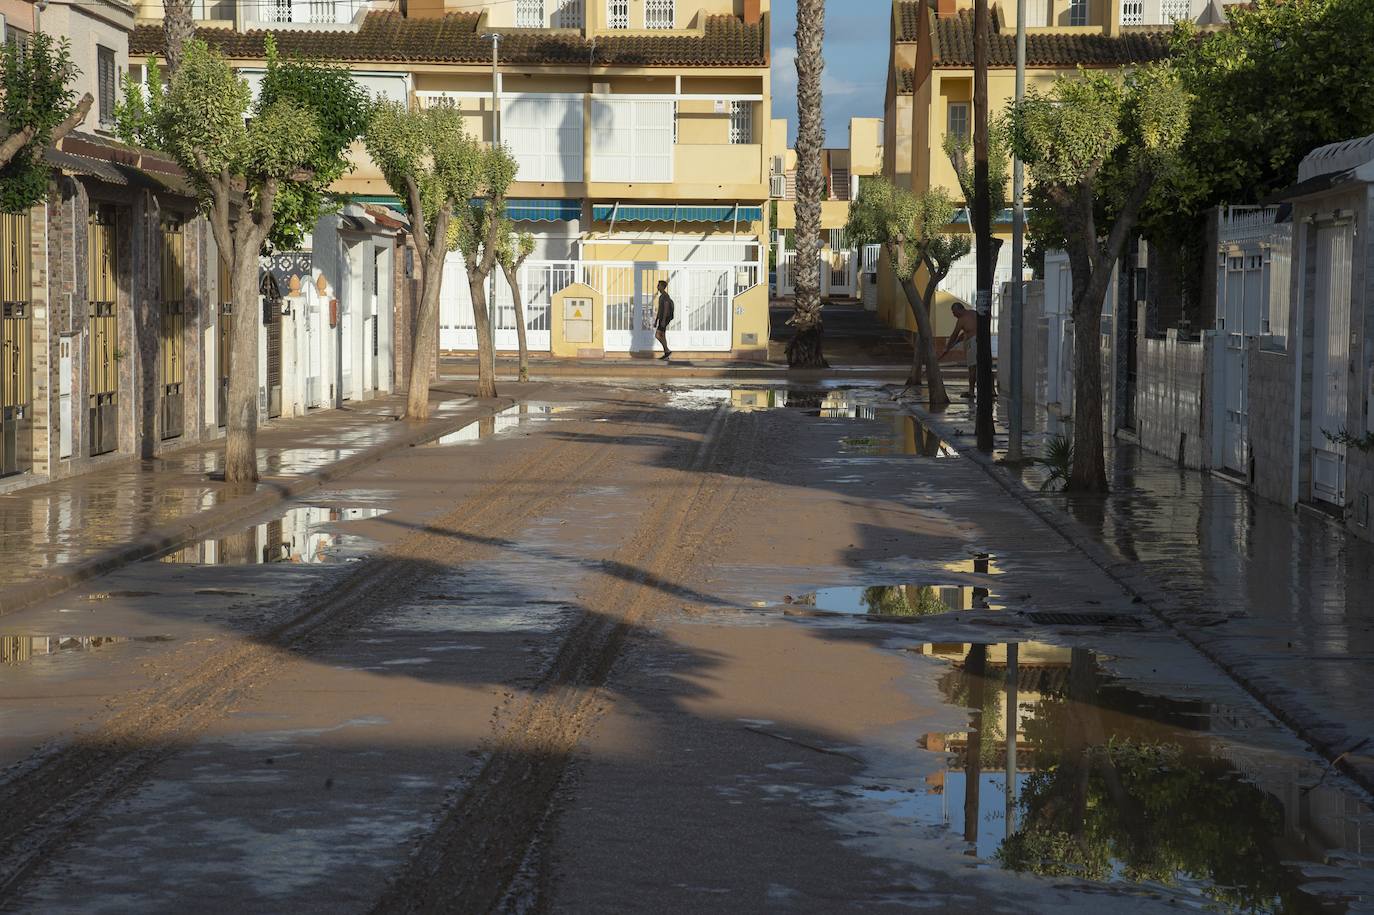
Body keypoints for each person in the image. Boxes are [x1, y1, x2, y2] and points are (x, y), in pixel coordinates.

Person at [939, 301, 980, 399]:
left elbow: (954, 334)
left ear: (959, 310)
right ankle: (991, 390)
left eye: (954, 312)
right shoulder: (973, 313)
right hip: (980, 341)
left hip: (974, 343)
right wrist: (957, 341)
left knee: (972, 367)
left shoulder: (962, 319)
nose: (953, 315)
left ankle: (971, 391)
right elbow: (966, 331)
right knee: (983, 366)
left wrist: (947, 348)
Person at [654, 279, 674, 360]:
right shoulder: (661, 296)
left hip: (664, 319)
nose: (657, 287)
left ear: (662, 286)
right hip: (662, 318)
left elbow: (665, 308)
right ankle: (666, 354)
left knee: (657, 335)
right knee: (663, 336)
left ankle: (667, 350)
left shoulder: (665, 296)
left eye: (658, 285)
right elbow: (660, 309)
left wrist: (663, 320)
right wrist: (656, 320)